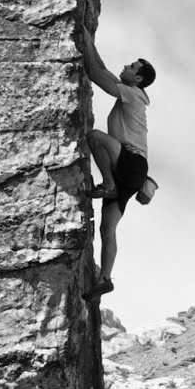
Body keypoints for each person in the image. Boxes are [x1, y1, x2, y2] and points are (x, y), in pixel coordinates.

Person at [77, 24, 155, 293]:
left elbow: (96, 74)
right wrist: (89, 43)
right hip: (133, 172)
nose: (126, 66)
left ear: (139, 79)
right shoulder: (131, 91)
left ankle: (108, 183)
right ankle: (105, 279)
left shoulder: (132, 94)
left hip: (132, 163)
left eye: (132, 67)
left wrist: (85, 42)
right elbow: (102, 68)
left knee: (95, 137)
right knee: (107, 228)